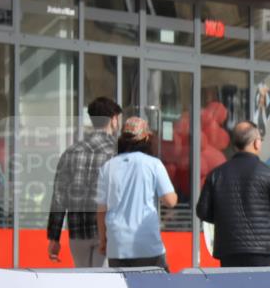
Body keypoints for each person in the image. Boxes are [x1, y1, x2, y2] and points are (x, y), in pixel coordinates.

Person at [195, 121, 270, 267]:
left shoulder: (216, 175)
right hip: (262, 252)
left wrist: (225, 218)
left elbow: (202, 211)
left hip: (228, 250)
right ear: (256, 143)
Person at [47, 97, 122, 267]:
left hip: (77, 232)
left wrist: (54, 237)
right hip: (107, 232)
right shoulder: (118, 151)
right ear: (114, 119)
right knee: (102, 286)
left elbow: (59, 197)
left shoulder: (71, 152)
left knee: (83, 285)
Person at [96, 117, 177, 269]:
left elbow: (101, 210)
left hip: (117, 244)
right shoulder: (153, 164)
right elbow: (170, 200)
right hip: (147, 243)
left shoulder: (108, 167)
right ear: (146, 137)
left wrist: (103, 241)